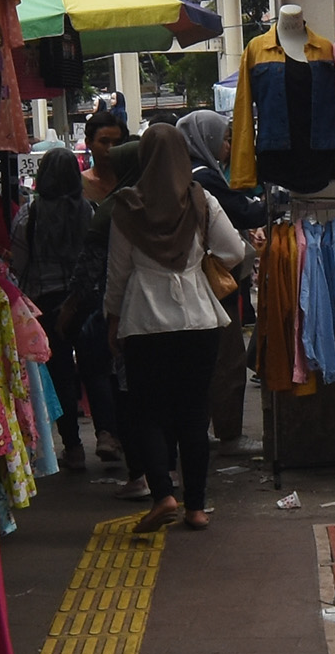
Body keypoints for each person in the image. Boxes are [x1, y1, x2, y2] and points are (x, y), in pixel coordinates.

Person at [101, 122, 249, 533]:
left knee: (148, 413)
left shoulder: (126, 207)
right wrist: (198, 266)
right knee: (192, 414)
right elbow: (235, 251)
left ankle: (163, 493)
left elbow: (117, 275)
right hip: (198, 320)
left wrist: (112, 321)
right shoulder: (201, 201)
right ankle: (196, 508)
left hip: (144, 322)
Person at [19, 146, 121, 475]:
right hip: (86, 300)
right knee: (96, 369)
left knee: (60, 372)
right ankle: (106, 433)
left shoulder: (28, 215)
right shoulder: (89, 211)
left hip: (46, 303)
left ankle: (73, 447)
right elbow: (98, 259)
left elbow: (20, 265)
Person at [180, 107, 260, 444]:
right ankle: (228, 434)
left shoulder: (178, 176)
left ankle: (204, 430)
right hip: (215, 283)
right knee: (227, 359)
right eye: (225, 139)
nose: (228, 146)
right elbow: (235, 239)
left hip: (184, 289)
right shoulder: (206, 179)